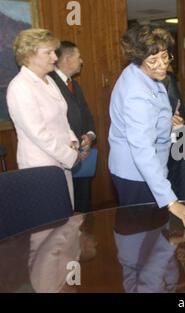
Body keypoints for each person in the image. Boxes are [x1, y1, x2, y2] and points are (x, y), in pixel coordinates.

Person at [108, 24, 185, 228]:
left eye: (165, 57)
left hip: (146, 168)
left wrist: (166, 123)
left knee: (152, 235)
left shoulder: (144, 75)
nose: (161, 65)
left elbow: (147, 118)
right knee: (140, 235)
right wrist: (171, 201)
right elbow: (142, 149)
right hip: (136, 173)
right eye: (153, 60)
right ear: (139, 59)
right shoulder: (136, 92)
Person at [7, 29, 80, 207]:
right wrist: (70, 155)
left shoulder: (49, 80)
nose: (55, 58)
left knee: (66, 219)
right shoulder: (20, 87)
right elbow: (38, 134)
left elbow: (62, 118)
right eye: (48, 52)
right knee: (47, 228)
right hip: (41, 167)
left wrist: (73, 141)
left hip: (61, 161)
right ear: (29, 55)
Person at [48, 41, 96, 212]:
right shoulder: (49, 84)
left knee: (83, 207)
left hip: (83, 156)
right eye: (78, 57)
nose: (81, 61)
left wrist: (90, 135)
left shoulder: (74, 85)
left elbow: (86, 114)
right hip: (62, 157)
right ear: (67, 59)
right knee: (66, 209)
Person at [161, 69, 185, 196]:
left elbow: (181, 110)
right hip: (159, 144)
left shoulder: (170, 78)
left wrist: (179, 119)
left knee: (174, 177)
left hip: (176, 137)